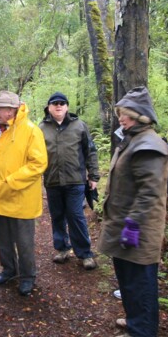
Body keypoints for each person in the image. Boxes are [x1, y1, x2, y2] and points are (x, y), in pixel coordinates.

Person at [98, 87, 168, 337]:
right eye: (120, 114)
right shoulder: (133, 140)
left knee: (140, 279)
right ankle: (134, 319)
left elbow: (150, 193)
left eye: (125, 115)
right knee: (127, 276)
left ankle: (143, 332)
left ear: (140, 116)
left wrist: (133, 224)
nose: (121, 119)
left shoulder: (148, 146)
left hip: (138, 227)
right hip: (125, 222)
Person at [0, 90, 48, 297]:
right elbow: (4, 158)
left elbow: (38, 164)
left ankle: (28, 276)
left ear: (10, 110)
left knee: (24, 242)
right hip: (0, 196)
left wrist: (10, 181)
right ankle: (9, 270)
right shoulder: (4, 130)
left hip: (21, 198)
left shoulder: (31, 131)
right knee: (3, 239)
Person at [39, 91, 101, 270]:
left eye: (62, 103)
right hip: (52, 181)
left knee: (76, 215)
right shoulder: (41, 128)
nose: (58, 105)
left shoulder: (79, 126)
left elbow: (90, 151)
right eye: (55, 103)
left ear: (67, 107)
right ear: (49, 107)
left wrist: (94, 176)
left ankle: (85, 253)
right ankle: (63, 248)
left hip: (76, 180)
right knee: (57, 216)